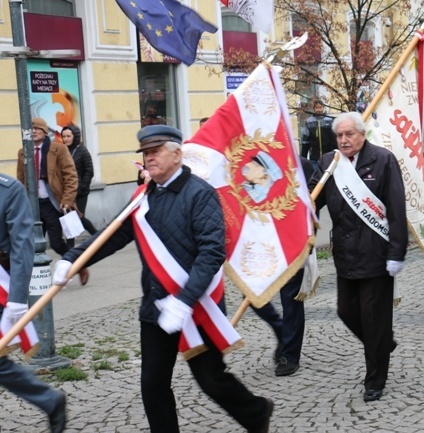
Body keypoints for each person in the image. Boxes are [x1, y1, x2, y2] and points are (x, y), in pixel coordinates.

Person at [53, 125, 273, 433]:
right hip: (156, 306)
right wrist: (73, 259)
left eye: (156, 152)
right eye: (145, 153)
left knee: (211, 379)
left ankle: (256, 411)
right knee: (153, 386)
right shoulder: (143, 197)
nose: (149, 158)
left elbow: (211, 253)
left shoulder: (200, 193)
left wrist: (183, 302)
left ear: (177, 154)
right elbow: (114, 235)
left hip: (195, 306)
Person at [308, 112, 408, 403]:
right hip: (346, 254)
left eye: (349, 134)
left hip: (376, 255)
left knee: (373, 318)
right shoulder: (330, 162)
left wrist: (397, 251)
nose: (343, 140)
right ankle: (382, 344)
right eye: (339, 135)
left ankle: (375, 379)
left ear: (362, 135)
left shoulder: (382, 160)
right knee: (346, 311)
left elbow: (395, 208)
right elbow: (314, 198)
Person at [0, 173, 67, 433]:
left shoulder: (9, 190)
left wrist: (16, 300)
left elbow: (22, 246)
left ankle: (49, 400)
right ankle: (50, 400)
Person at [251, 156, 314, 376]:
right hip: (260, 241)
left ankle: (290, 354)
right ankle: (280, 328)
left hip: (290, 242)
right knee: (251, 293)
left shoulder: (301, 166)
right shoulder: (251, 162)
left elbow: (312, 200)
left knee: (291, 299)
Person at [16, 118, 88, 285]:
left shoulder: (58, 149)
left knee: (55, 243)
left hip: (53, 202)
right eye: (31, 129)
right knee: (30, 243)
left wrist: (68, 199)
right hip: (32, 205)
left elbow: (71, 175)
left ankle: (77, 265)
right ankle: (36, 280)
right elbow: (20, 179)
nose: (33, 131)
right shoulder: (23, 152)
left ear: (44, 131)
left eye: (37, 129)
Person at [61, 125, 97, 243]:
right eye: (63, 136)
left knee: (78, 217)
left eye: (68, 136)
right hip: (66, 191)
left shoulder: (82, 150)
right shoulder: (62, 151)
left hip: (80, 192)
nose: (65, 139)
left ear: (74, 137)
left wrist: (82, 186)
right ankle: (70, 248)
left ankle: (98, 236)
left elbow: (89, 170)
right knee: (69, 218)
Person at [301, 99, 337, 171]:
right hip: (315, 158)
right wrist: (303, 157)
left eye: (320, 107)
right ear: (314, 109)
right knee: (316, 177)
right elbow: (305, 141)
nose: (319, 110)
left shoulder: (330, 120)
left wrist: (335, 152)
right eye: (317, 108)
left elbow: (335, 138)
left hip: (329, 156)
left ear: (323, 108)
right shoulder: (309, 122)